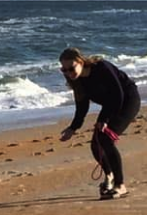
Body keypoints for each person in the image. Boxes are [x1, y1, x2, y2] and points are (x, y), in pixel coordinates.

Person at [58, 47, 140, 199]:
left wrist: (104, 120)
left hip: (127, 100)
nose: (68, 73)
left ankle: (120, 185)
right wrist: (73, 128)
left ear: (80, 61)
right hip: (110, 105)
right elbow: (82, 107)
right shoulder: (76, 81)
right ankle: (109, 176)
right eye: (64, 70)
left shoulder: (102, 68)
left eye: (71, 68)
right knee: (96, 144)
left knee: (105, 139)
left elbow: (118, 95)